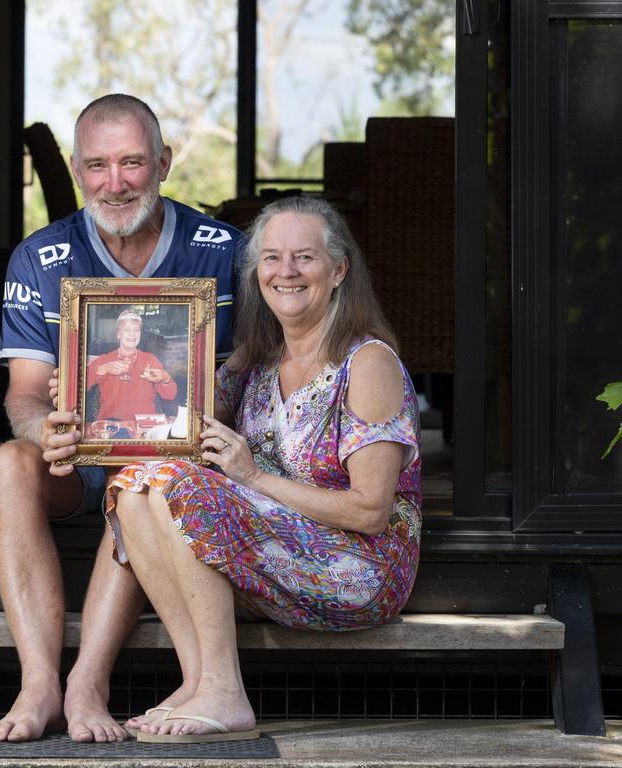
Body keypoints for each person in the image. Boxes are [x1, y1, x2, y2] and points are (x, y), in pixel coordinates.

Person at [0, 94, 242, 743]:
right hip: (75, 467)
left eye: (132, 162)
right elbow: (25, 394)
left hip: (168, 466)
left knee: (141, 471)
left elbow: (248, 382)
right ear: (75, 168)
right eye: (97, 165)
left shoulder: (225, 250)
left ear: (164, 163)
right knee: (12, 463)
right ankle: (37, 682)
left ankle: (86, 683)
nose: (115, 182)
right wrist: (46, 430)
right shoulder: (39, 257)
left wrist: (195, 400)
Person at [105, 196, 421, 742]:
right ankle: (198, 678)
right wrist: (90, 403)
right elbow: (172, 424)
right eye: (271, 258)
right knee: (135, 485)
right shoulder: (258, 357)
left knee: (186, 488)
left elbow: (371, 512)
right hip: (272, 554)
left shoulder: (367, 363)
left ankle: (226, 694)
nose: (286, 272)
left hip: (357, 566)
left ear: (339, 269)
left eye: (304, 257)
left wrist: (250, 477)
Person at [85, 308, 177, 426]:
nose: (132, 334)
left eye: (136, 330)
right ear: (118, 334)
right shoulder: (104, 360)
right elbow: (79, 386)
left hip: (146, 424)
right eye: (127, 330)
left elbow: (169, 395)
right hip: (111, 424)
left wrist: (165, 378)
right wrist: (102, 369)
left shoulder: (150, 359)